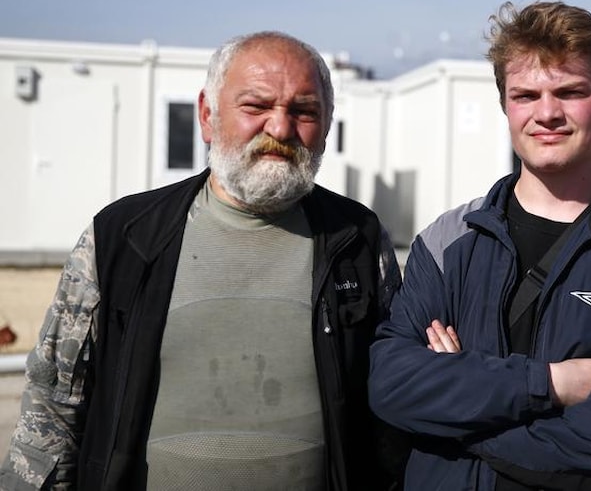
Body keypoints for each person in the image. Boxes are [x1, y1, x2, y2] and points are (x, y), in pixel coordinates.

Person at [1, 31, 406, 490]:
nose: (280, 129)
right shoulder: (123, 238)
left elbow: (391, 410)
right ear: (208, 115)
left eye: (304, 111)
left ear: (327, 124)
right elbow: (53, 407)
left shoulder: (357, 240)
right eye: (256, 106)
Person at [368, 0, 591, 490]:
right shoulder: (446, 242)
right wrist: (550, 385)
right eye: (526, 95)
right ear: (505, 107)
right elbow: (392, 385)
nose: (547, 113)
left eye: (569, 92)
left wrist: (455, 410)